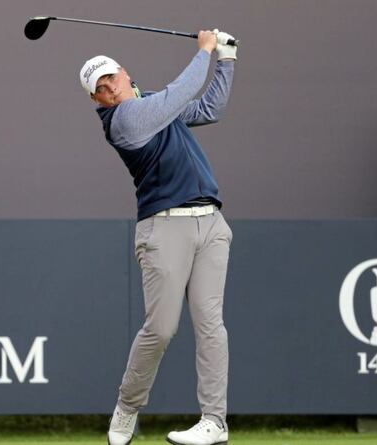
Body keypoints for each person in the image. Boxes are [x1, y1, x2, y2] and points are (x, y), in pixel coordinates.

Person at [79, 29, 237, 445]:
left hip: (211, 224)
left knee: (211, 325)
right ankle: (128, 407)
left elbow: (208, 108)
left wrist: (227, 58)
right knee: (162, 328)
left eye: (111, 76)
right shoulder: (125, 120)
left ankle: (215, 421)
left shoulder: (150, 105)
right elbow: (179, 93)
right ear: (97, 101)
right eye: (101, 88)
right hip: (164, 228)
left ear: (123, 73)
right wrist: (204, 50)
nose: (110, 86)